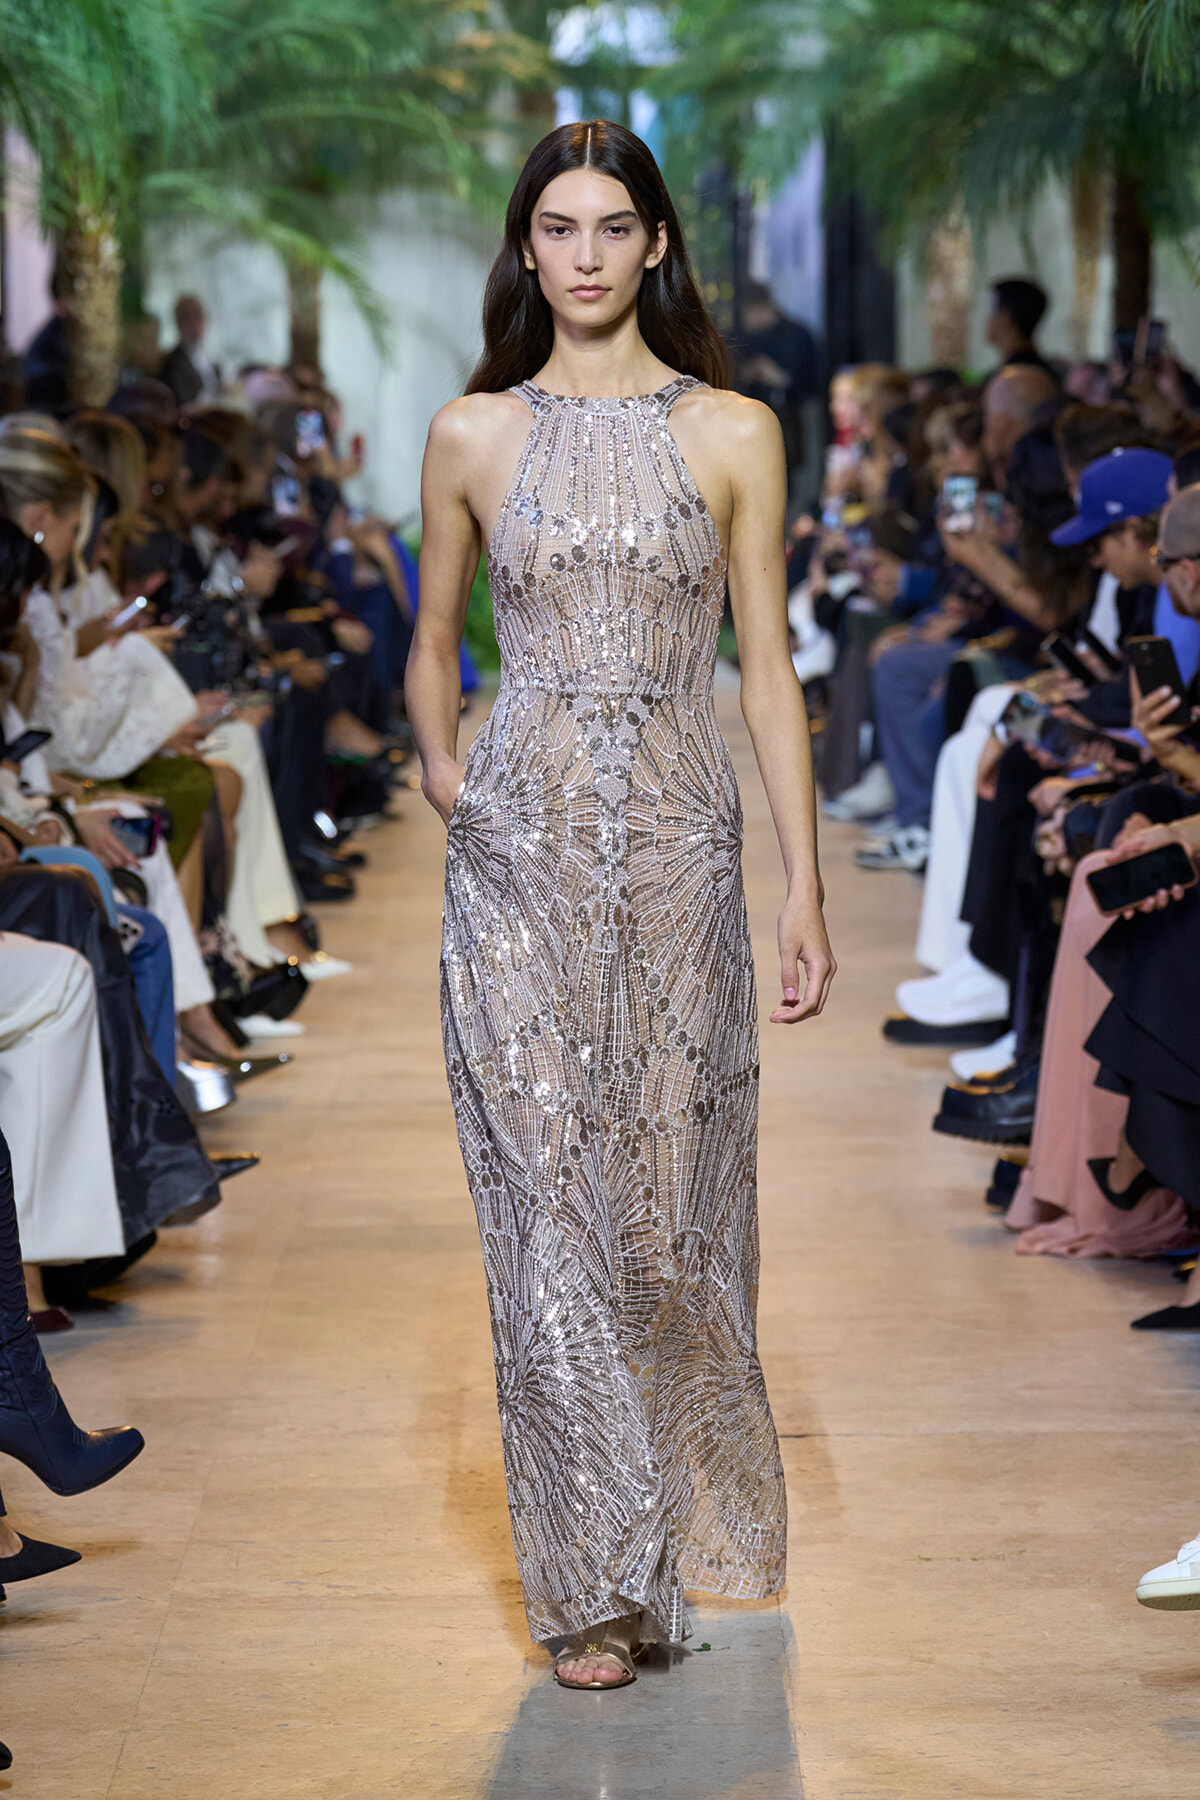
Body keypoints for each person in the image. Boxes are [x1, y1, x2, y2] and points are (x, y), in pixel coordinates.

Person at [407, 118, 835, 1690]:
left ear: (657, 243)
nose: (584, 255)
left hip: (679, 865)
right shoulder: (466, 434)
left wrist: (799, 886)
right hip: (515, 867)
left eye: (613, 227)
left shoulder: (733, 430)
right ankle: (591, 1582)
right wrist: (452, 770)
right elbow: (433, 637)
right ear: (527, 251)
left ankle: (665, 1530)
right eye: (557, 229)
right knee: (542, 1213)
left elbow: (766, 665)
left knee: (669, 1222)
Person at [985, 277, 1056, 379]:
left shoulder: (1010, 378)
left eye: (991, 312)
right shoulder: (1047, 373)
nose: (987, 320)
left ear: (1005, 317)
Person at [160, 295, 220, 407]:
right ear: (179, 324)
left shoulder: (208, 358)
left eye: (198, 319)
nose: (195, 326)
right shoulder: (173, 363)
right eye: (189, 320)